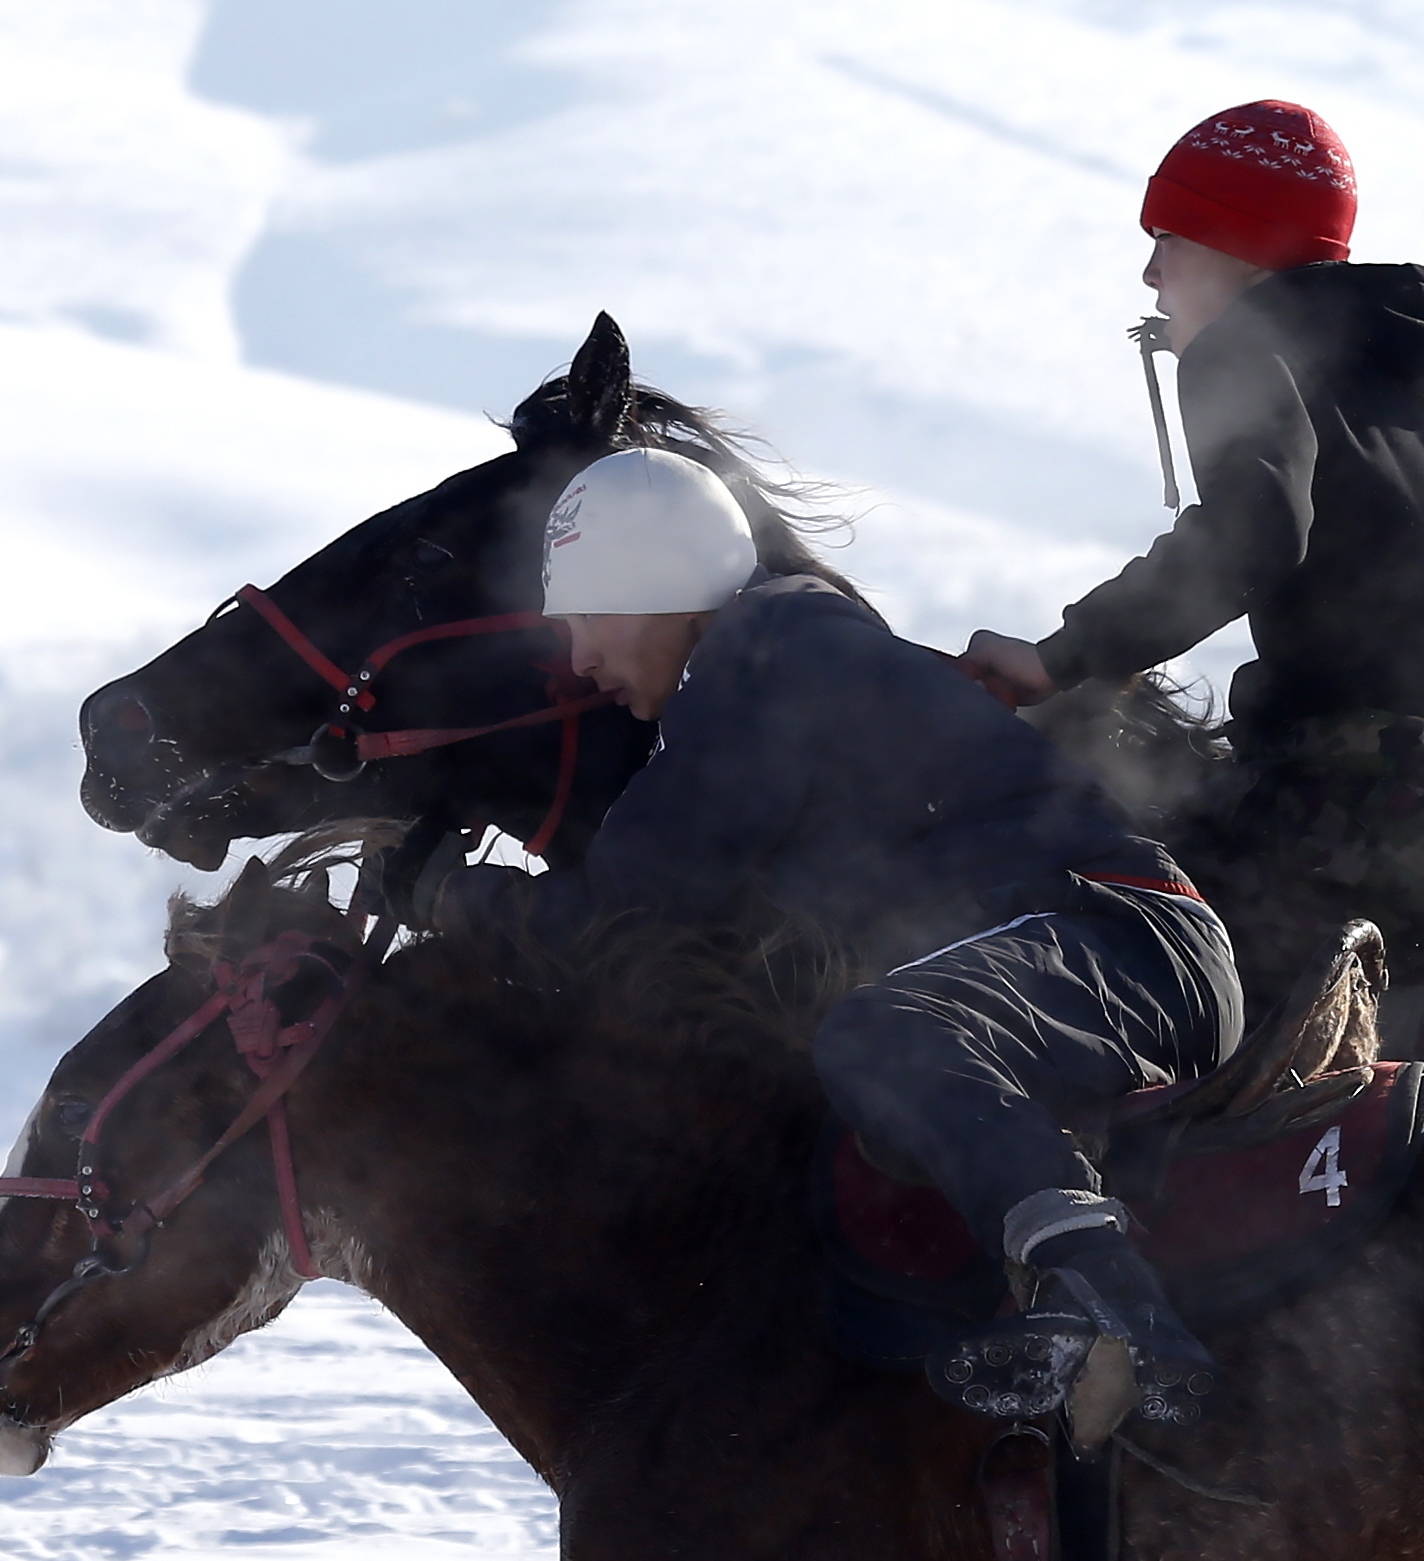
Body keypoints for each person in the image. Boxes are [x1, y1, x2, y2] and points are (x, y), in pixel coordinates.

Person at [464, 445, 1242, 1427]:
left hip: (1119, 938)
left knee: (889, 1037)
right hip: (1105, 941)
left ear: (657, 588)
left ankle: (1109, 1308)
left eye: (588, 617)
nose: (578, 660)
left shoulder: (764, 660)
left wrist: (452, 896)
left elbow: (632, 906)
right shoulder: (779, 652)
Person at [959, 101, 1424, 986]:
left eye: (1172, 238)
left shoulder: (1243, 353)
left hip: (1349, 806)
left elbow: (1254, 530)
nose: (1151, 274)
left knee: (1084, 949)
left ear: (1237, 246)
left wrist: (1058, 659)